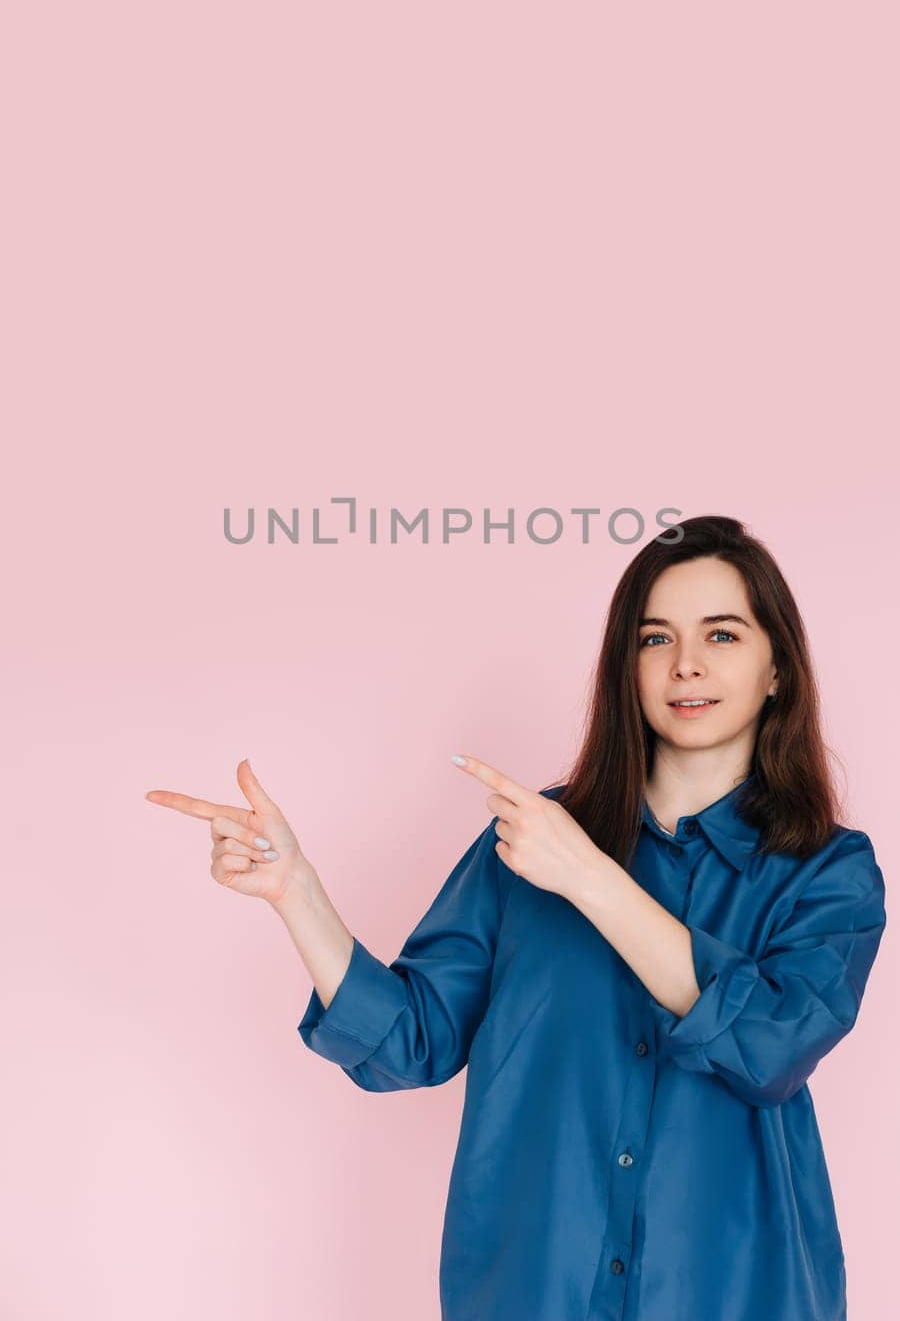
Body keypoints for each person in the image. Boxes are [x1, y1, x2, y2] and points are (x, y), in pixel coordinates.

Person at [145, 514, 887, 1321]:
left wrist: (588, 878)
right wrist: (298, 893)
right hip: (533, 1291)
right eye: (654, 639)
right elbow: (411, 1042)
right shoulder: (526, 846)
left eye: (722, 635)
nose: (686, 666)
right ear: (625, 667)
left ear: (777, 666)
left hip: (741, 1294)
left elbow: (770, 1044)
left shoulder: (829, 871)